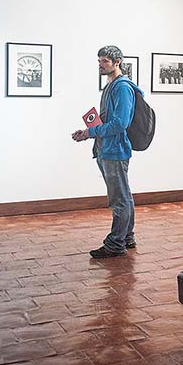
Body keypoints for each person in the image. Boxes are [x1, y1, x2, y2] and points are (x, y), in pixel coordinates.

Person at [72, 45, 144, 259]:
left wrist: (89, 132)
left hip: (115, 150)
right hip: (107, 149)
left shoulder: (122, 88)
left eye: (104, 61)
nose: (100, 65)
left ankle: (115, 244)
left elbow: (120, 123)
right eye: (99, 61)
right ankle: (127, 237)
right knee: (124, 195)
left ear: (117, 62)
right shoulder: (111, 86)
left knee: (119, 199)